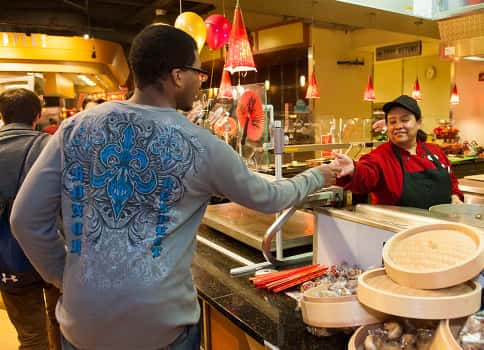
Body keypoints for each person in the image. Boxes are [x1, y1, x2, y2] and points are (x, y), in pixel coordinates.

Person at [10, 25, 339, 350]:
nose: (200, 82)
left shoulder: (74, 129)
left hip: (82, 326)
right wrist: (320, 175)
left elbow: (24, 219)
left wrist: (63, 276)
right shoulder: (200, 145)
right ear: (178, 75)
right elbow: (269, 197)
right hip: (159, 328)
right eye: (198, 72)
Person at [0, 88, 61, 350]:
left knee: (31, 336)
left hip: (8, 260)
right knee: (61, 325)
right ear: (37, 116)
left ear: (2, 116)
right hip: (52, 251)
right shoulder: (49, 147)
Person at [333, 94, 463, 209]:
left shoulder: (435, 152)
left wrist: (455, 196)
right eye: (392, 121)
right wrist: (354, 169)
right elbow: (366, 175)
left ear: (418, 123)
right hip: (399, 231)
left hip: (441, 228)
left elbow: (451, 182)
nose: (398, 126)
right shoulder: (380, 156)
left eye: (405, 120)